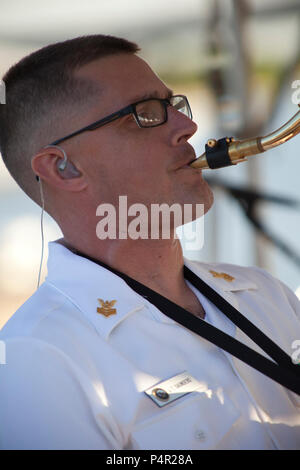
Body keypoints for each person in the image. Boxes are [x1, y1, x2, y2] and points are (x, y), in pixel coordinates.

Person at [0, 34, 300, 451]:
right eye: (142, 114)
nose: (189, 127)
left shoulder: (266, 294)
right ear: (63, 168)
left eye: (172, 105)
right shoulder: (38, 358)